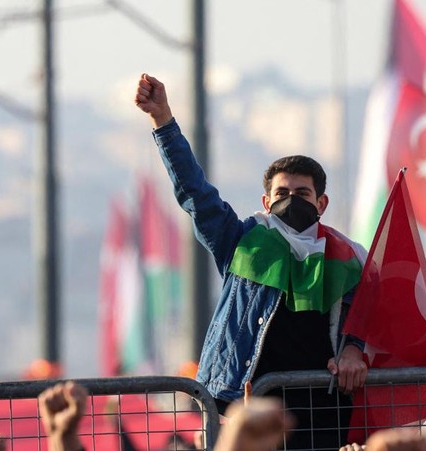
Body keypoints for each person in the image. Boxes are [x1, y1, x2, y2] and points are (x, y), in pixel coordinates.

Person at [135, 73, 369, 450]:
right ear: (266, 202)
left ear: (321, 204)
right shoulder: (241, 241)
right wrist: (163, 121)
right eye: (282, 193)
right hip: (245, 412)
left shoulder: (349, 259)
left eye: (302, 193)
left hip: (322, 417)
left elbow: (368, 316)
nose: (291, 200)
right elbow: (195, 192)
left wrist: (355, 350)